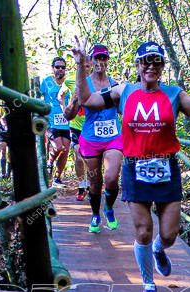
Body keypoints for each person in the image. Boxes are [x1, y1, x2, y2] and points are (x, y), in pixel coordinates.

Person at [72, 39, 190, 292]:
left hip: (167, 168)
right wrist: (79, 65)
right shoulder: (124, 91)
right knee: (143, 230)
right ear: (138, 65)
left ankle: (158, 250)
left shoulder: (174, 94)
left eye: (156, 61)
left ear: (162, 66)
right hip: (136, 168)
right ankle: (148, 284)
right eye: (146, 61)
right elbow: (86, 99)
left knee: (168, 235)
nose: (151, 67)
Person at [74, 45, 123, 233]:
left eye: (104, 58)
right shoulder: (83, 83)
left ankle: (109, 209)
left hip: (113, 137)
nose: (100, 62)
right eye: (97, 58)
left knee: (111, 177)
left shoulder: (115, 84)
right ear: (91, 61)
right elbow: (71, 113)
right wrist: (71, 103)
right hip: (90, 137)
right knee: (95, 181)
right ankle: (95, 214)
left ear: (107, 61)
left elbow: (122, 108)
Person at [40, 57, 72, 186]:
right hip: (51, 121)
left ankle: (57, 178)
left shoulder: (69, 82)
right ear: (53, 68)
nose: (60, 69)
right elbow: (37, 96)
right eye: (58, 67)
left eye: (63, 67)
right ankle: (49, 163)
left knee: (66, 149)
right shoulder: (46, 82)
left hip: (66, 121)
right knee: (58, 146)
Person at [62, 88, 89, 201]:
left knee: (89, 158)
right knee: (78, 157)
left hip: (89, 126)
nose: (85, 69)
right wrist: (65, 109)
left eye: (87, 67)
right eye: (83, 67)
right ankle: (81, 186)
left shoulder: (94, 82)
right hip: (76, 127)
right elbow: (60, 95)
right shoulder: (70, 81)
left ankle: (89, 185)